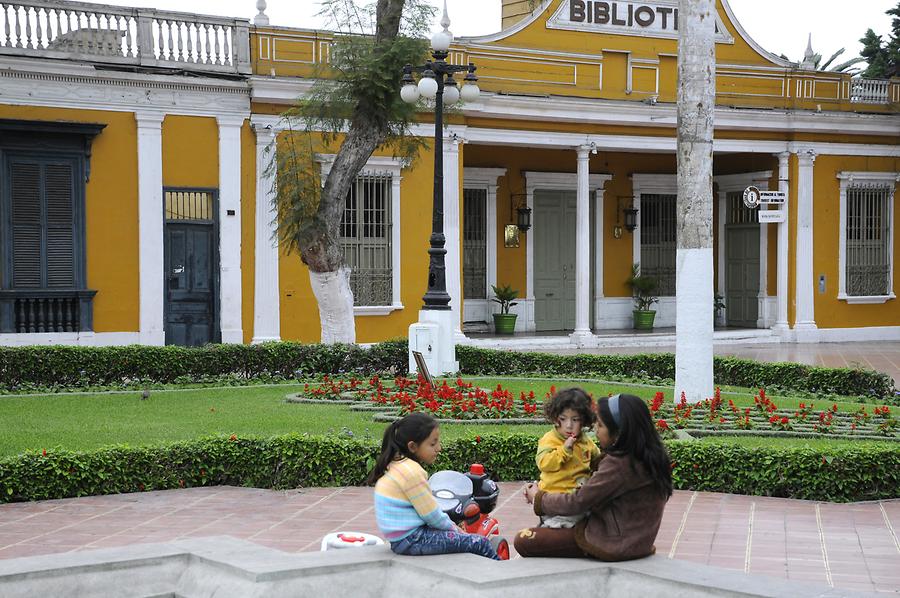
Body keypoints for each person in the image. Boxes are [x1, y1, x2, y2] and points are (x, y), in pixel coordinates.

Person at [515, 393, 672, 560]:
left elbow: (577, 502)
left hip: (613, 543)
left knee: (524, 539)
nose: (595, 430)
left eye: (601, 425)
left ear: (619, 432)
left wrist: (538, 498)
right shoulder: (646, 455)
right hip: (636, 540)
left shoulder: (620, 465)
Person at [368, 412, 500, 560]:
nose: (439, 448)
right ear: (412, 446)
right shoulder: (412, 472)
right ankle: (501, 576)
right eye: (432, 443)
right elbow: (431, 515)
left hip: (399, 539)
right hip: (413, 540)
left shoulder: (395, 465)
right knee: (479, 543)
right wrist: (455, 529)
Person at [536, 387, 602, 528]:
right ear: (555, 418)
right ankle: (553, 526)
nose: (569, 425)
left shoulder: (586, 442)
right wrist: (564, 451)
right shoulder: (550, 440)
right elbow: (544, 463)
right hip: (554, 499)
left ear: (584, 421)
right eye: (563, 419)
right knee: (573, 520)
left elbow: (598, 460)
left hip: (577, 499)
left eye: (575, 420)